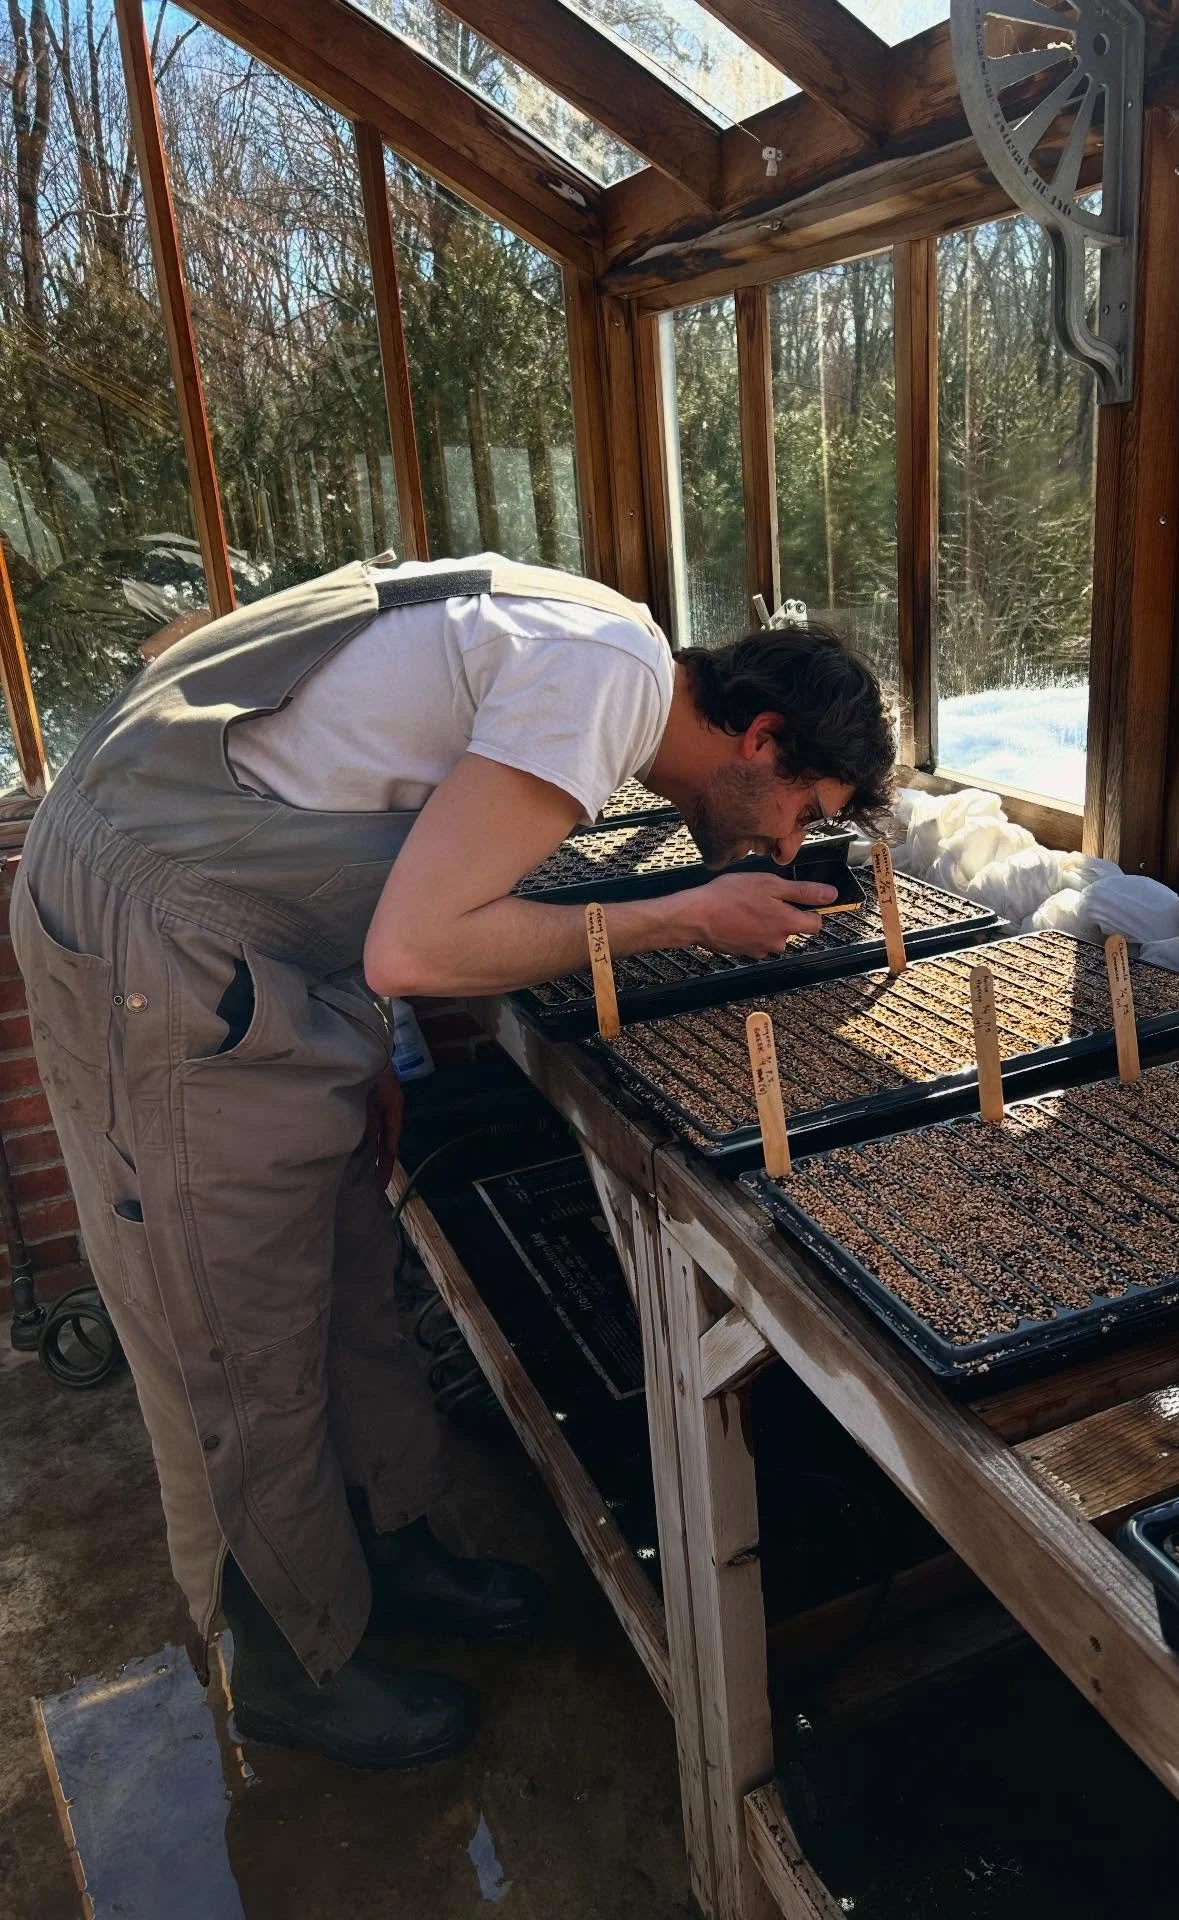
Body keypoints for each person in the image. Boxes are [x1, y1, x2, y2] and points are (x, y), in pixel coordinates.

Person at [14, 552, 894, 1770]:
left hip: (268, 934)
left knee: (344, 1274)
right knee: (231, 1322)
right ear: (761, 738)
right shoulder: (603, 679)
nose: (790, 843)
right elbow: (417, 944)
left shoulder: (607, 643)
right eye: (806, 809)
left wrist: (359, 1035)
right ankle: (291, 1668)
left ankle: (385, 1556)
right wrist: (688, 913)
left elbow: (372, 829)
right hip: (158, 931)